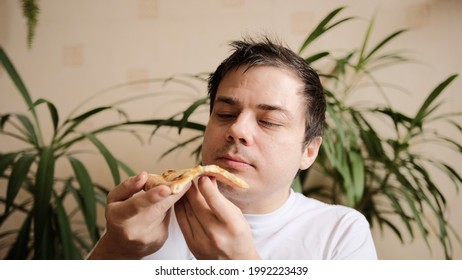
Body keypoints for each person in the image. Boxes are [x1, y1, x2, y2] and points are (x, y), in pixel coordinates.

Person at [88, 36, 377, 260]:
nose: (237, 130)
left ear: (309, 151)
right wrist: (116, 247)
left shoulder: (340, 232)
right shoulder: (148, 214)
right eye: (225, 115)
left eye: (269, 121)